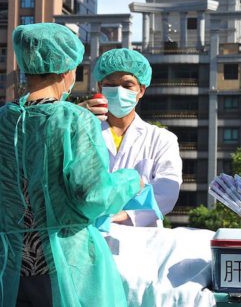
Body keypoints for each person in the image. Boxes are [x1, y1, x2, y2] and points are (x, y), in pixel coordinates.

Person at [0, 23, 142, 307]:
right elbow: (92, 196)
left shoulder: (4, 119)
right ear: (66, 71)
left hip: (10, 265)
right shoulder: (74, 119)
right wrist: (130, 180)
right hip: (67, 264)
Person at [79, 48, 183, 227]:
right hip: (87, 233)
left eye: (127, 85)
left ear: (141, 90)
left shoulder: (161, 139)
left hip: (141, 238)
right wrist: (74, 119)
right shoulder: (83, 131)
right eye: (110, 85)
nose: (118, 91)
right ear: (100, 88)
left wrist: (123, 215)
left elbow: (167, 192)